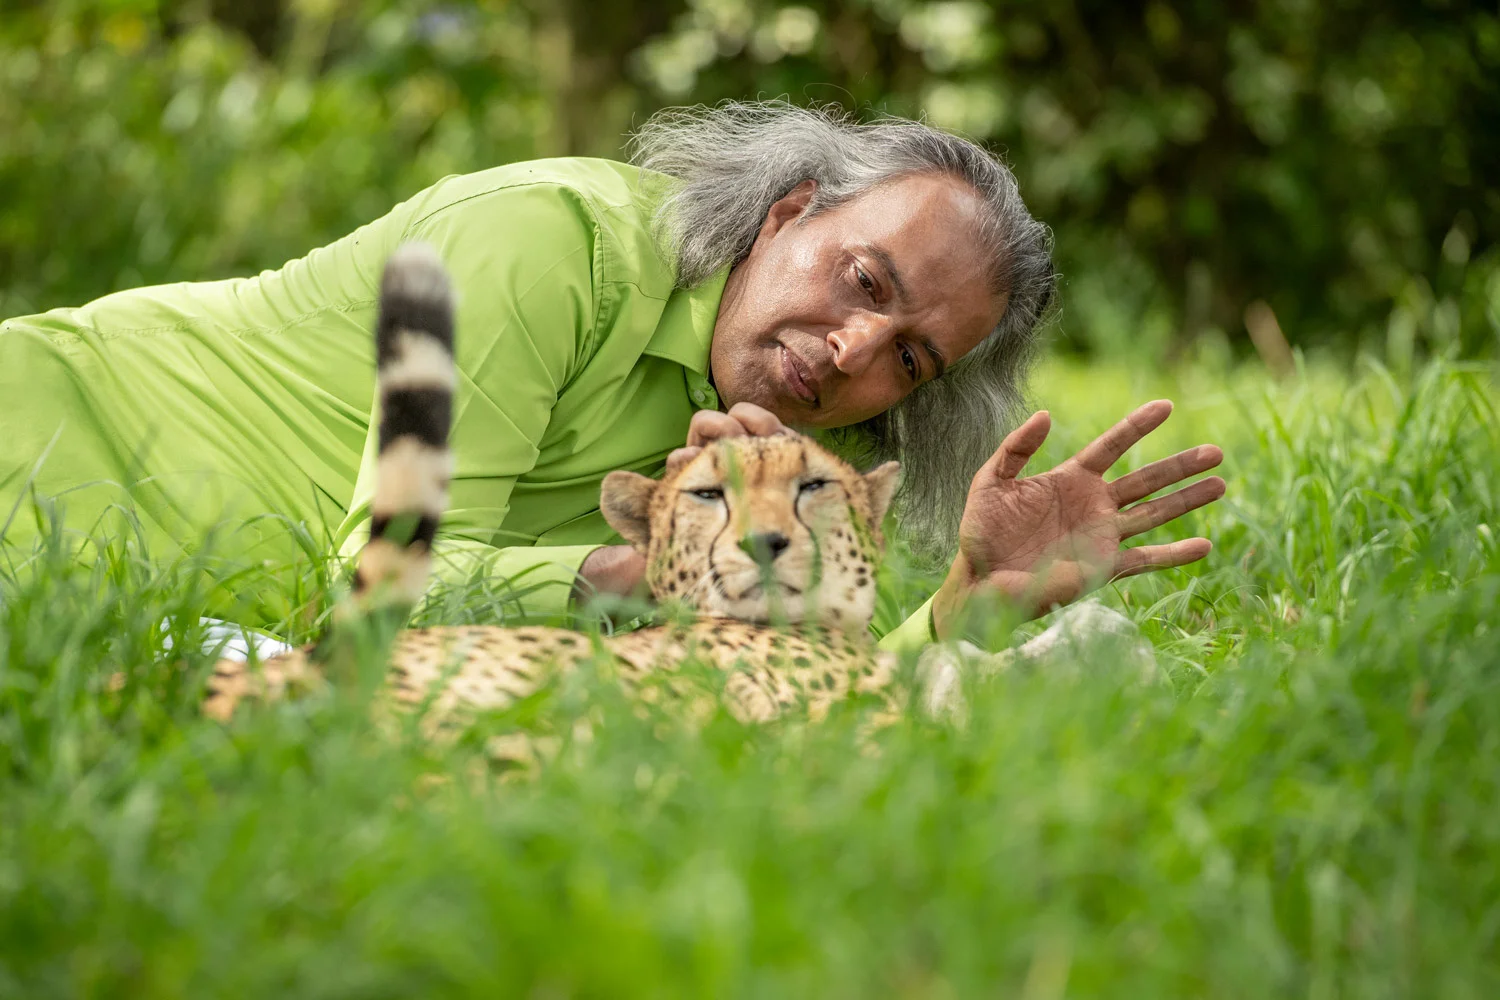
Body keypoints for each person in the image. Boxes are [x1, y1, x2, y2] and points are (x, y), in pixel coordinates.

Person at [0, 101, 1225, 651]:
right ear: (786, 213)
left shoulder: (800, 458)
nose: (858, 351)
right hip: (49, 445)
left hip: (180, 619)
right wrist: (629, 576)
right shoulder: (549, 241)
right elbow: (379, 588)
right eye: (864, 280)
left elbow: (787, 686)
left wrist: (969, 588)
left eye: (910, 355)